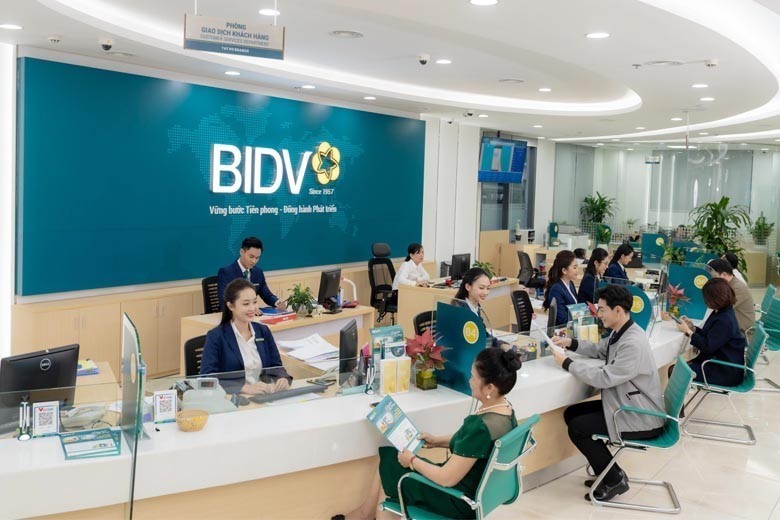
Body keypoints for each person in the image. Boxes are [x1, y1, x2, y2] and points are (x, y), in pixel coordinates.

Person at [336, 348, 522, 520]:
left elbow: (446, 478)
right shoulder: (505, 413)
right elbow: (473, 447)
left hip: (457, 499)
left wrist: (411, 460)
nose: (469, 380)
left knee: (392, 464)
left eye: (473, 377)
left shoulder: (480, 427)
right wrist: (437, 441)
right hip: (475, 491)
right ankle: (366, 514)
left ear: (490, 388)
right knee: (390, 460)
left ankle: (365, 514)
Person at [551, 285, 665, 503]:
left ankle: (614, 479)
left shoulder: (632, 342)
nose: (599, 314)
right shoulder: (623, 332)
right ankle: (607, 471)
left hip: (640, 415)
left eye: (602, 309)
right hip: (626, 404)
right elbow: (602, 349)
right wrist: (571, 343)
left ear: (618, 310)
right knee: (573, 414)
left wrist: (567, 363)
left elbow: (604, 377)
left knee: (578, 427)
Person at [200, 278, 292, 395]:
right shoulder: (216, 336)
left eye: (255, 302)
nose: (252, 308)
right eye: (246, 304)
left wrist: (282, 378)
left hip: (264, 396)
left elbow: (276, 366)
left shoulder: (263, 331)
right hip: (234, 398)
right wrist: (243, 388)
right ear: (230, 306)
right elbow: (206, 378)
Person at [674, 278, 746, 387]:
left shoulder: (725, 320)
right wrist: (693, 328)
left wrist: (688, 332)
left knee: (676, 371)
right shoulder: (721, 312)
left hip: (724, 371)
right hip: (718, 362)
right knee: (678, 368)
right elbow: (711, 335)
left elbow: (707, 346)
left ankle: (675, 398)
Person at [217, 237, 286, 310]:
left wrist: (277, 302)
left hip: (252, 314)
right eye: (251, 257)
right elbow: (224, 301)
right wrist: (249, 309)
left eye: (257, 258)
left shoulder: (258, 272)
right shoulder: (226, 272)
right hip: (233, 314)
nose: (254, 261)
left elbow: (267, 295)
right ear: (241, 252)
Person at [455, 267, 508, 348]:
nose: (486, 292)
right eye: (481, 288)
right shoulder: (460, 311)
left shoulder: (475, 306)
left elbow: (482, 333)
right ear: (468, 287)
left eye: (488, 288)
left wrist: (500, 344)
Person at [708, 259, 755, 332]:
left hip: (742, 332)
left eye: (713, 276)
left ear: (724, 275)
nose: (711, 280)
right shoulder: (728, 284)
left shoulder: (737, 288)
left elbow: (720, 308)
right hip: (733, 326)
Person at [543, 250, 579, 326]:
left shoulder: (570, 284)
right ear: (564, 270)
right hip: (562, 329)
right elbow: (562, 319)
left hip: (573, 326)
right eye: (574, 267)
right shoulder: (556, 289)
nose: (577, 270)